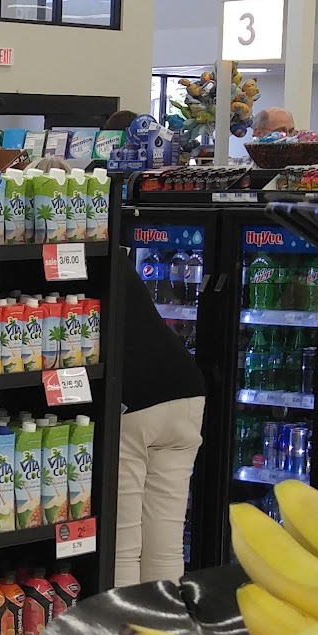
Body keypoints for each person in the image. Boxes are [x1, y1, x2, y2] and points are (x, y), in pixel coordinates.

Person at [112, 247, 206, 588]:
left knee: (123, 546)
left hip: (133, 397)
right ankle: (169, 618)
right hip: (186, 389)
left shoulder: (79, 260)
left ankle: (126, 623)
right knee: (165, 543)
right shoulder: (111, 257)